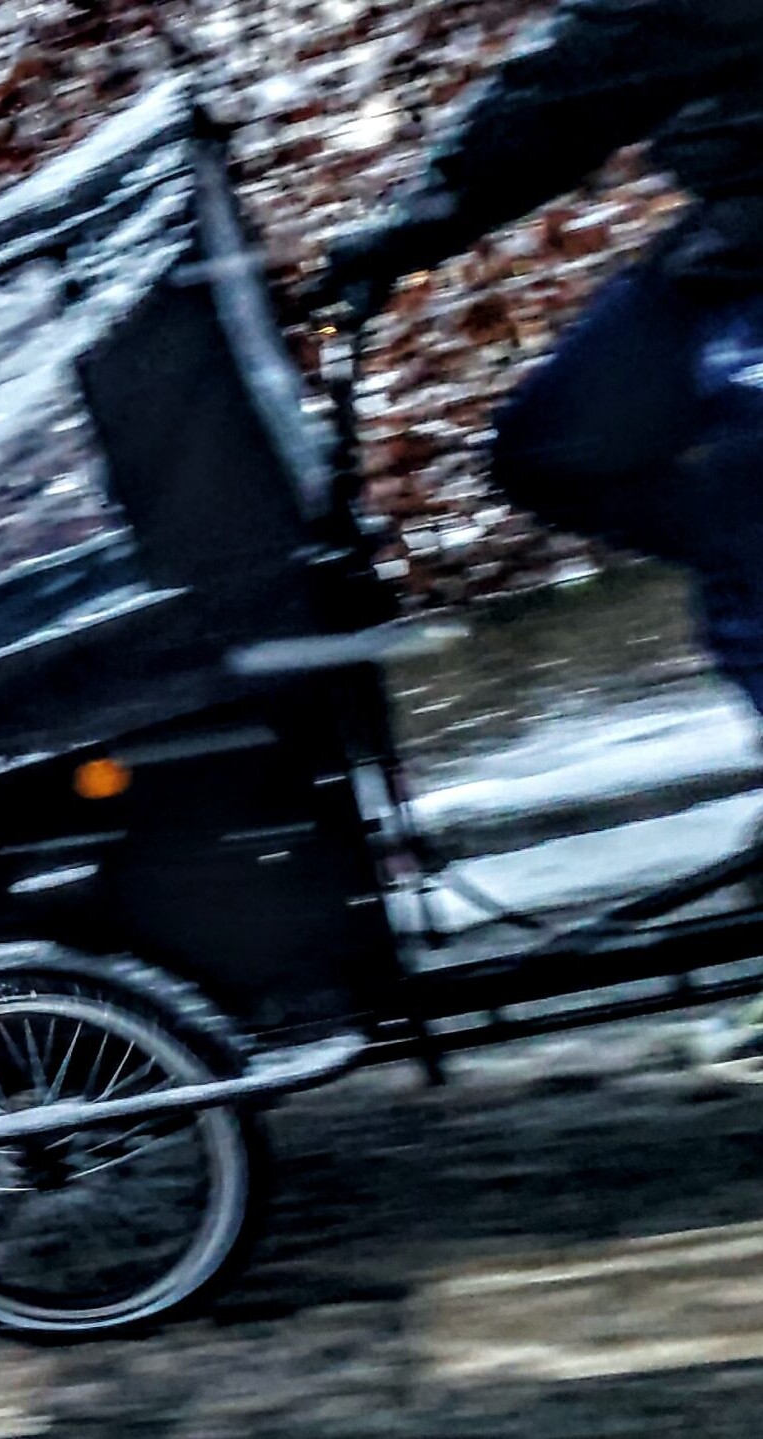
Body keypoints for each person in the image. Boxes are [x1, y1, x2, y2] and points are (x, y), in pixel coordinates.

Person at [312, 0, 763, 1067]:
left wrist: (417, 223)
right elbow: (583, 80)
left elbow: (578, 74)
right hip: (732, 244)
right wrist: (419, 224)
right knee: (550, 447)